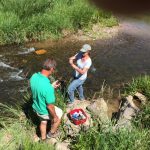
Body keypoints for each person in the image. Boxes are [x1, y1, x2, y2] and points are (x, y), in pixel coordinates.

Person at [30, 58, 63, 141]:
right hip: (44, 111)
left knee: (43, 122)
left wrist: (51, 86)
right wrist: (55, 117)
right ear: (51, 69)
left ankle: (43, 139)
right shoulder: (48, 88)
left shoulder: (34, 76)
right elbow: (50, 106)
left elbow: (39, 88)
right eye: (54, 69)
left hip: (36, 107)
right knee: (59, 116)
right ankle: (51, 134)